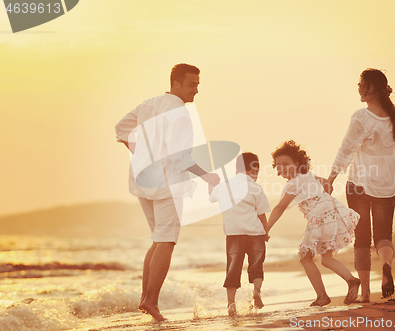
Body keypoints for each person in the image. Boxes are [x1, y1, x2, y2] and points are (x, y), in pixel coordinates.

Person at [115, 63, 220, 321]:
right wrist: (207, 175)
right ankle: (151, 300)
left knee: (158, 240)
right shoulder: (181, 113)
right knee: (166, 242)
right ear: (176, 84)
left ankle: (145, 299)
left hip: (142, 182)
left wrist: (141, 154)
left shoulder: (150, 104)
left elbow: (121, 128)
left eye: (197, 84)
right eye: (192, 84)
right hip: (167, 185)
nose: (196, 90)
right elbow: (179, 156)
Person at [326, 68, 395, 302]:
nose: (359, 88)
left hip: (360, 183)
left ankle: (366, 293)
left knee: (362, 238)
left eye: (362, 84)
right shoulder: (392, 116)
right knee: (383, 236)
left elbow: (346, 149)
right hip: (386, 183)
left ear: (373, 87)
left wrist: (330, 178)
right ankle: (386, 265)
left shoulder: (362, 117)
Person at [267, 140, 361, 306]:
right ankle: (351, 280)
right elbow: (322, 181)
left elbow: (280, 207)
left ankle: (322, 296)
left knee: (305, 256)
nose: (282, 168)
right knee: (326, 259)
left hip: (321, 219)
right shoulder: (306, 175)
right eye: (279, 165)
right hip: (331, 215)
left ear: (297, 163)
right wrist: (325, 186)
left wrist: (265, 229)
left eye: (286, 164)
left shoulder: (295, 183)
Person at [208, 153, 270, 316]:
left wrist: (212, 184)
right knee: (256, 266)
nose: (257, 175)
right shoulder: (256, 188)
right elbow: (262, 214)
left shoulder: (223, 187)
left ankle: (231, 304)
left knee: (233, 268)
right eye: (257, 170)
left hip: (234, 235)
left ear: (236, 169)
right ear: (254, 169)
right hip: (255, 234)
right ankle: (256, 291)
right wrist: (266, 233)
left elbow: (211, 198)